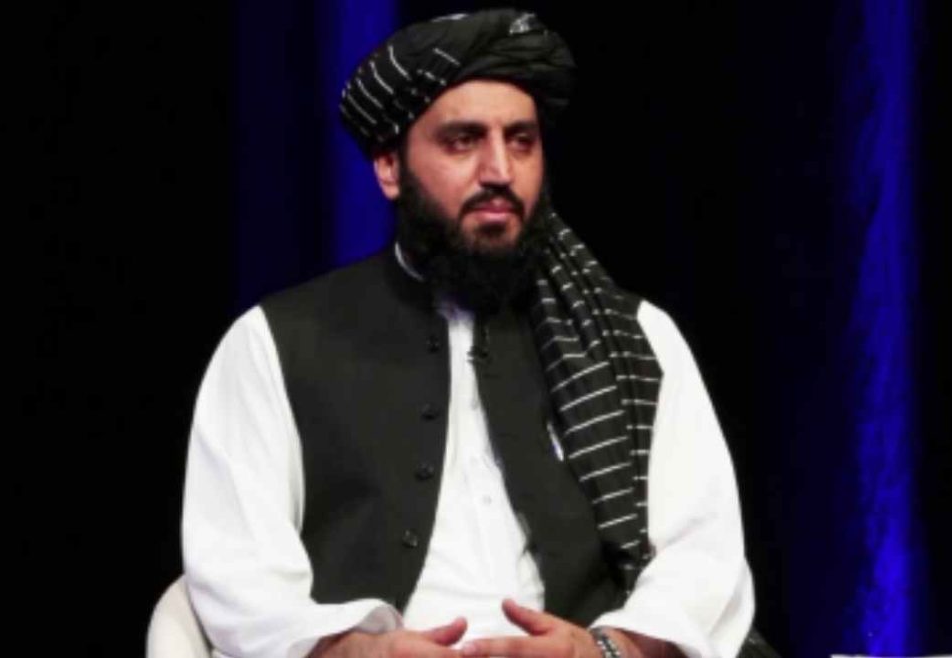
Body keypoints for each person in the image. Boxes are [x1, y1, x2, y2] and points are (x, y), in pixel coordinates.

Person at [182, 9, 757, 658]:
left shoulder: (632, 338)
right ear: (389, 166)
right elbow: (237, 573)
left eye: (521, 141)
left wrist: (607, 648)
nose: (499, 171)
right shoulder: (275, 343)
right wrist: (359, 651)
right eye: (463, 141)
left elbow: (703, 555)